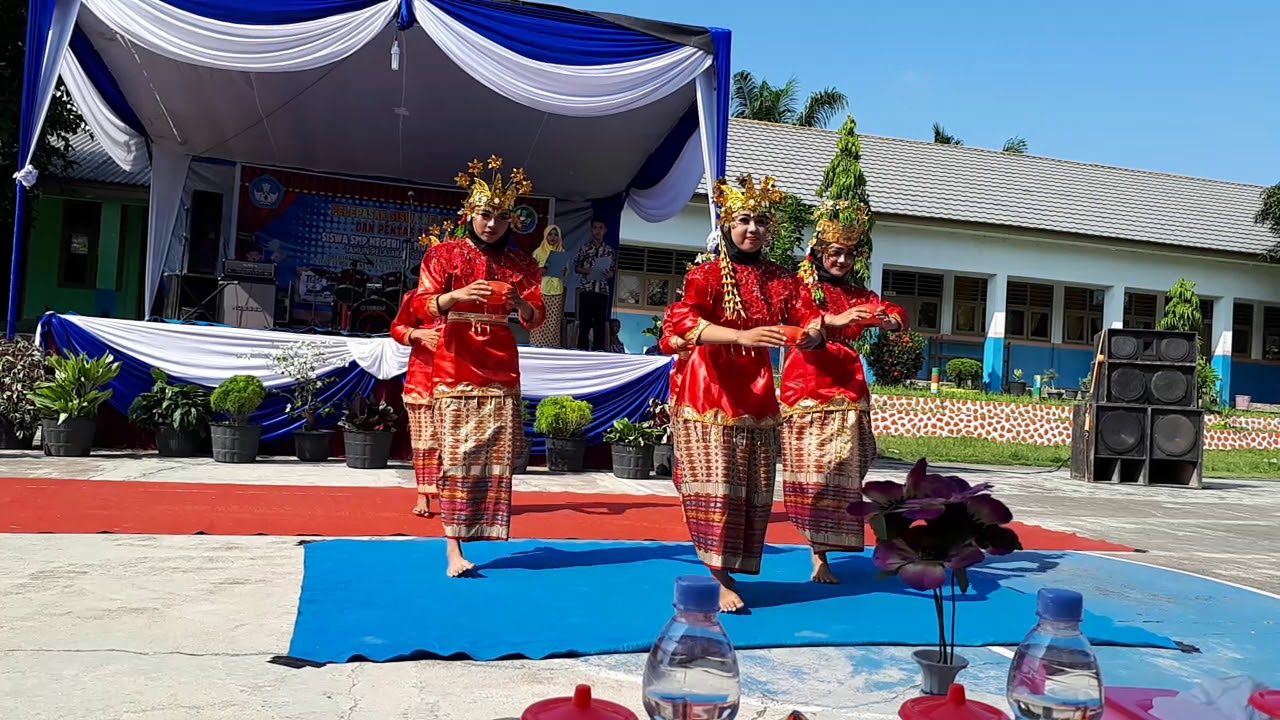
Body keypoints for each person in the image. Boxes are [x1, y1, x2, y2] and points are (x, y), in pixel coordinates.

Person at [666, 174, 823, 612]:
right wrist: (742, 335)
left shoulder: (782, 280)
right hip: (708, 393)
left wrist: (809, 336)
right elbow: (684, 323)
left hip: (756, 396)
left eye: (760, 221)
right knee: (715, 485)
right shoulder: (706, 274)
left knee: (747, 488)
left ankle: (728, 565)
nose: (752, 229)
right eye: (743, 220)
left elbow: (809, 316)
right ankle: (716, 576)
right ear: (727, 226)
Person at [416, 156, 545, 577]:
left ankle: (480, 529)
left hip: (501, 364)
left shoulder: (522, 265)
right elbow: (421, 303)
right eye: (485, 214)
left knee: (496, 457)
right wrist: (457, 296)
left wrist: (520, 303)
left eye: (501, 216)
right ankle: (452, 549)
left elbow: (536, 316)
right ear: (470, 213)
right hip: (455, 362)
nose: (492, 224)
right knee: (455, 454)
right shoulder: (443, 255)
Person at [781, 199, 908, 584]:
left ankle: (832, 548)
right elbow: (798, 328)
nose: (842, 261)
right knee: (813, 473)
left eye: (848, 255)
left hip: (849, 388)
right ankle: (817, 554)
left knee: (845, 473)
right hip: (807, 387)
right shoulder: (800, 289)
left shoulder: (860, 295)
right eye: (835, 253)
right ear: (818, 254)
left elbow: (893, 313)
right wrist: (833, 320)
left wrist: (890, 321)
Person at [390, 287, 444, 517]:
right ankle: (423, 493)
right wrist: (417, 334)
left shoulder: (468, 295)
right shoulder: (415, 296)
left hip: (461, 377)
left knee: (456, 442)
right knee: (424, 439)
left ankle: (456, 498)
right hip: (423, 376)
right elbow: (397, 328)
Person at [573, 218, 615, 351]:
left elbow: (612, 270)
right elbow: (576, 267)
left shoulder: (609, 251)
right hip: (587, 288)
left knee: (600, 322)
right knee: (584, 321)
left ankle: (599, 349)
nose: (598, 231)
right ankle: (582, 349)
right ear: (591, 230)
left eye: (600, 228)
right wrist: (587, 270)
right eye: (595, 228)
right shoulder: (585, 248)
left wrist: (609, 274)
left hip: (602, 290)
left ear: (605, 230)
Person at [530, 225, 568, 347]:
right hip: (541, 290)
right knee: (540, 318)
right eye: (550, 234)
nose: (553, 237)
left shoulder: (562, 252)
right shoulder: (538, 252)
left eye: (556, 235)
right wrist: (540, 270)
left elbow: (567, 272)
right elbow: (530, 271)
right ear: (545, 235)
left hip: (556, 290)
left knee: (553, 321)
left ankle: (551, 346)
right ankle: (537, 344)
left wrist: (563, 271)